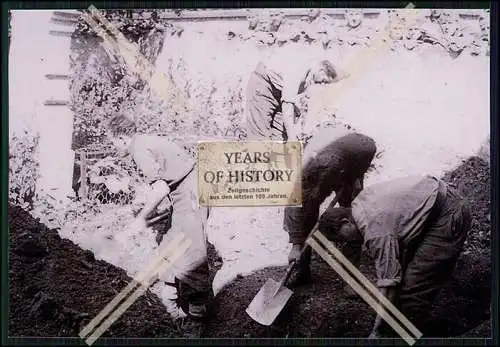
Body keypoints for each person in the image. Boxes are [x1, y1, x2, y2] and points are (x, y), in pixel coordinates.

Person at [318, 174, 471, 338]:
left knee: (411, 290)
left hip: (448, 213)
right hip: (436, 202)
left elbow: (389, 283)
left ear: (345, 222)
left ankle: (408, 336)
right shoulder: (360, 203)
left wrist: (377, 331)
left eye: (341, 237)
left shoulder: (374, 230)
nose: (345, 242)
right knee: (403, 277)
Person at [107, 114, 211, 337]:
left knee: (191, 252)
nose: (113, 147)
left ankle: (197, 318)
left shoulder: (138, 149)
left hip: (190, 194)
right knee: (169, 243)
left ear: (122, 137)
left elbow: (161, 189)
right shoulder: (146, 140)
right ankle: (171, 305)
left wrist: (140, 219)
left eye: (113, 141)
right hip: (189, 190)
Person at [285, 132, 377, 287]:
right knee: (307, 219)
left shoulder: (358, 150)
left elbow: (364, 153)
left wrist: (354, 178)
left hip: (347, 161)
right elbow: (296, 211)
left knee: (351, 219)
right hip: (331, 165)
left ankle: (352, 278)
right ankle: (302, 270)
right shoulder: (302, 182)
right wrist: (296, 245)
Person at [245, 59, 345, 142]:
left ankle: (279, 164)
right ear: (321, 70)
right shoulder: (299, 69)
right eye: (323, 81)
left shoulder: (309, 77)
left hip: (278, 92)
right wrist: (292, 138)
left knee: (281, 137)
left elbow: (297, 105)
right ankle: (258, 165)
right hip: (263, 86)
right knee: (259, 138)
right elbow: (287, 107)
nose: (322, 85)